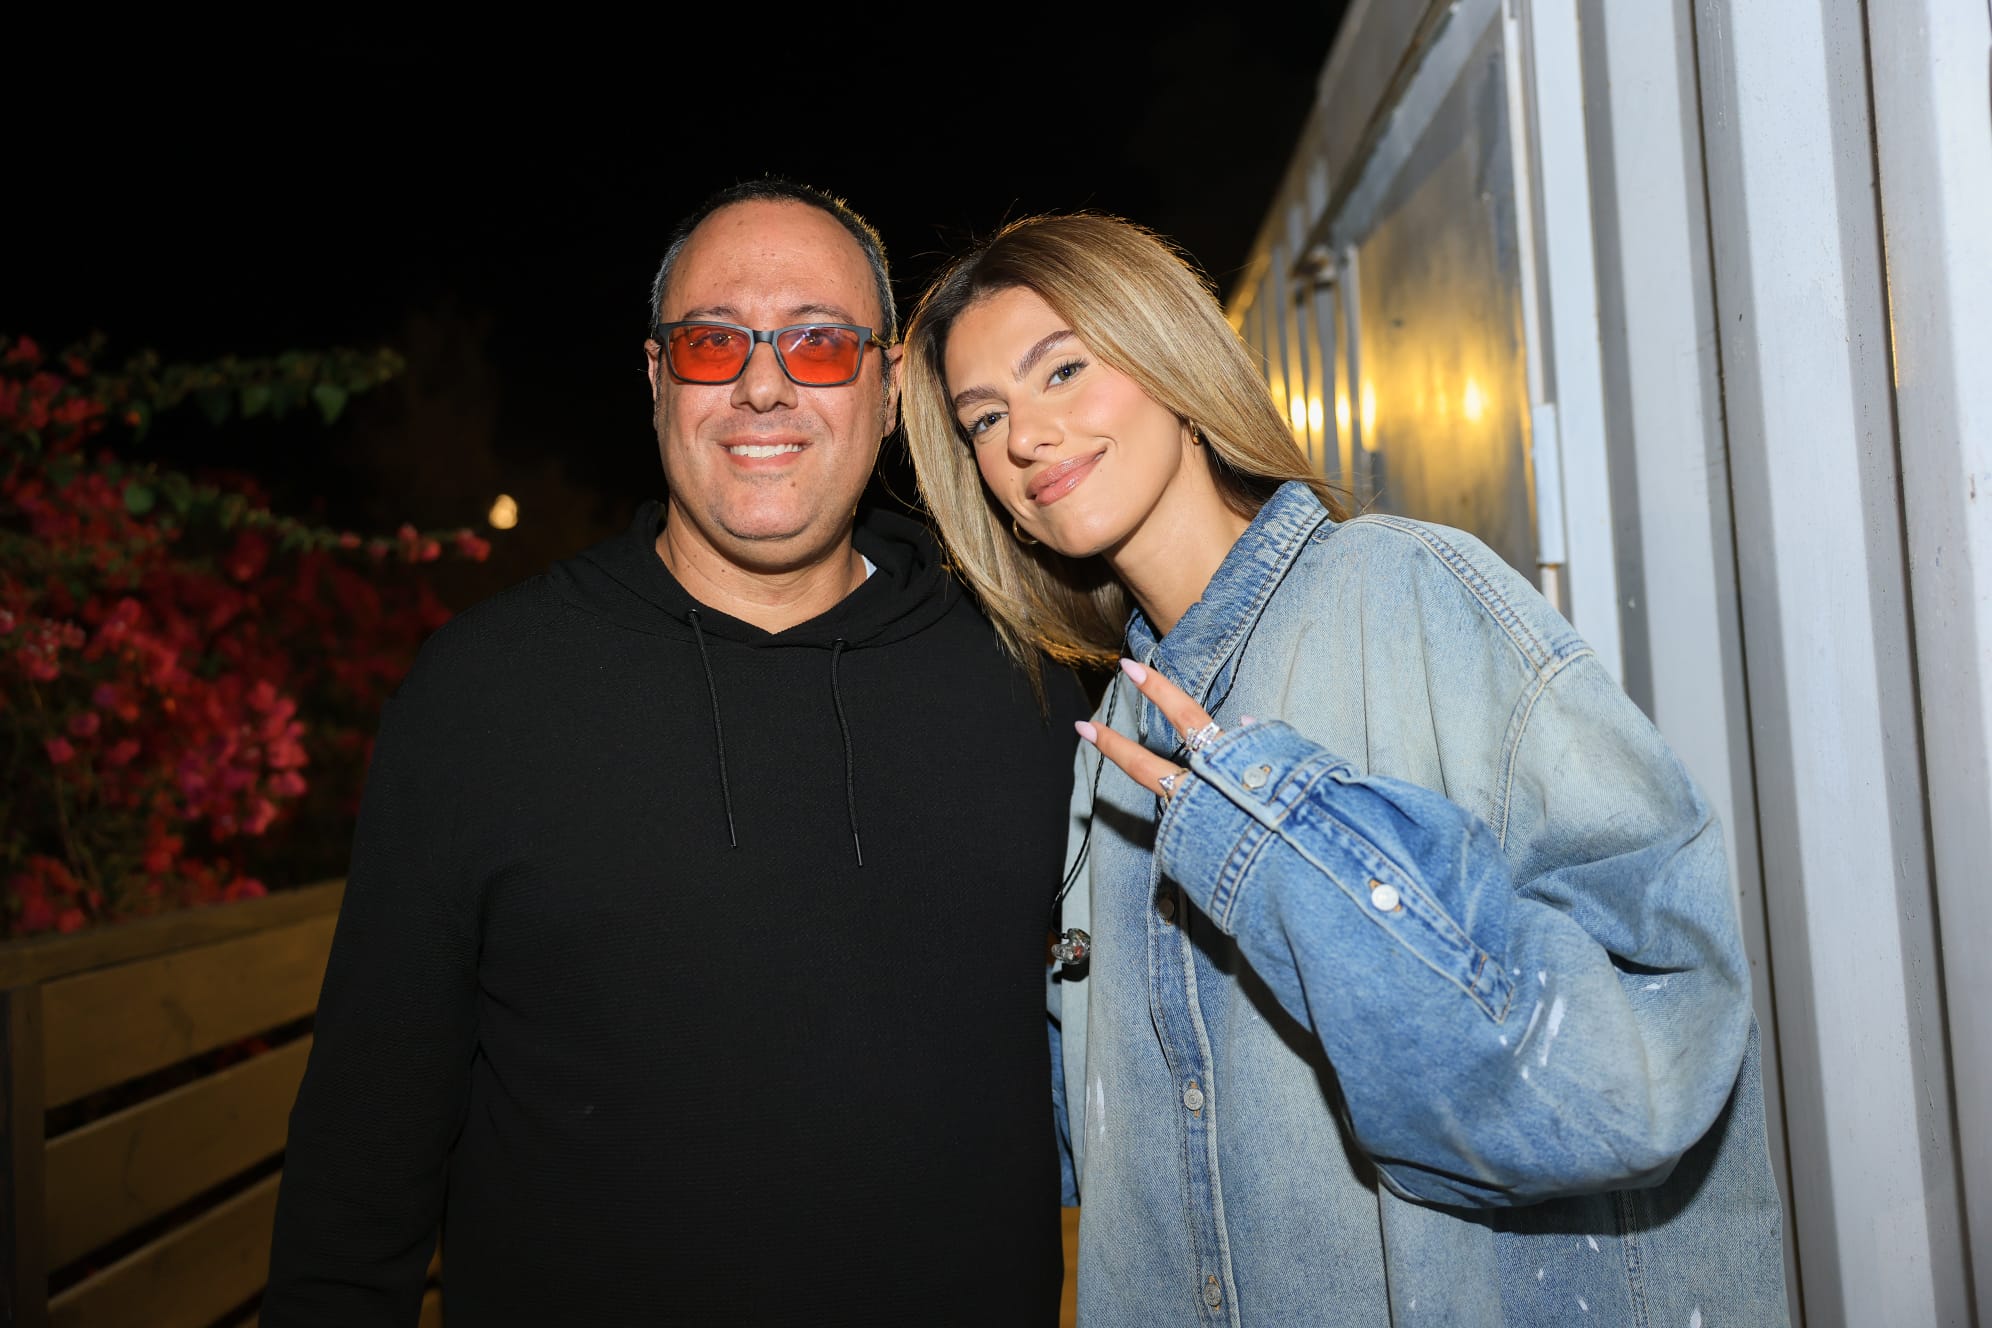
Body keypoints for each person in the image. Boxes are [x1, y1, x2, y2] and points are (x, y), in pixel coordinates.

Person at [899, 212, 1790, 1326]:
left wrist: (1284, 849)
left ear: (1175, 367)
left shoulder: (1408, 594)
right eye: (985, 418)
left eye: (1063, 369)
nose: (1027, 436)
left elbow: (1653, 1043)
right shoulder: (1112, 744)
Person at [264, 180, 1087, 1326]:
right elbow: (364, 1151)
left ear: (891, 385)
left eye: (817, 342)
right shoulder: (484, 693)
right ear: (657, 379)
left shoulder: (1027, 676)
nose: (763, 385)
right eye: (712, 343)